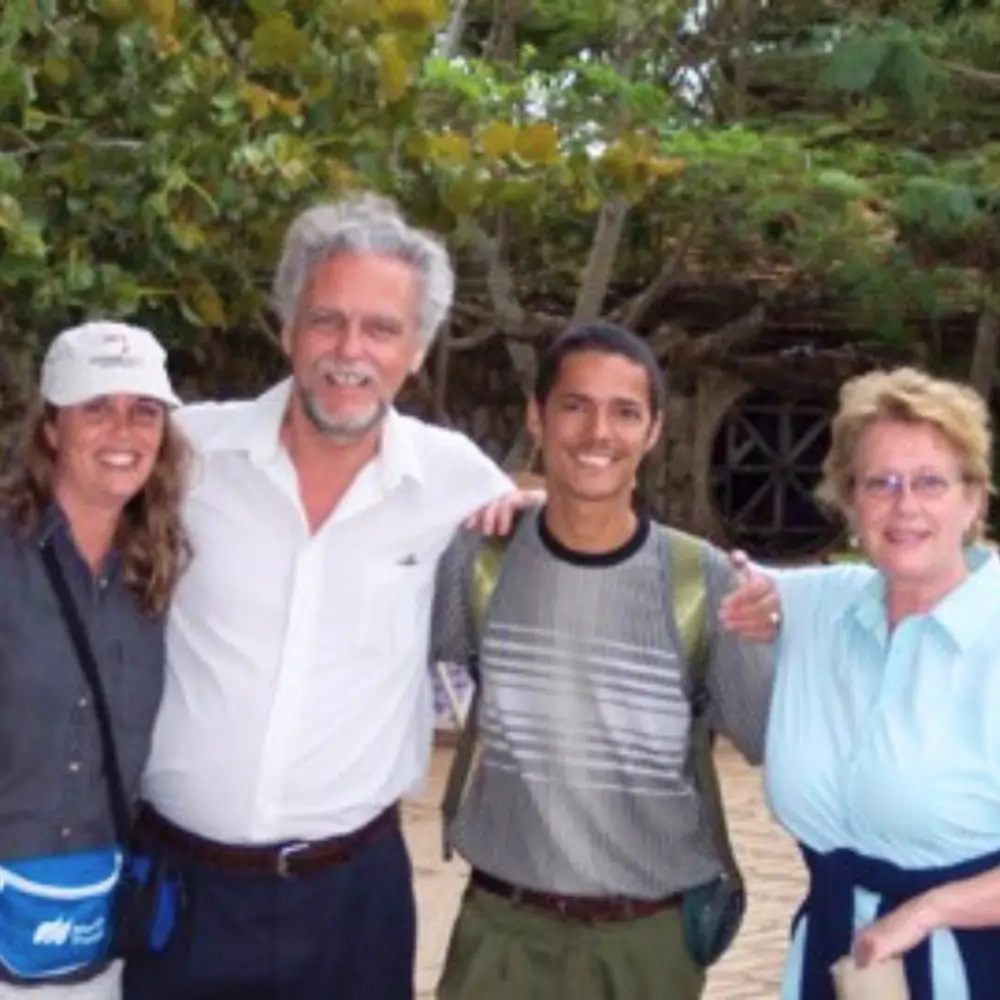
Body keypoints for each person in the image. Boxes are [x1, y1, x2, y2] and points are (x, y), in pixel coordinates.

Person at [121, 193, 525, 1000]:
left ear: (417, 350)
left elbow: (564, 524)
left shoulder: (456, 483)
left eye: (381, 328)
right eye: (326, 320)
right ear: (286, 329)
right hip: (181, 891)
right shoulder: (182, 456)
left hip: (353, 901)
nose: (351, 350)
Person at [431, 322, 777, 1000]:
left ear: (652, 431)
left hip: (644, 947)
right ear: (538, 417)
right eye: (575, 406)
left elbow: (766, 737)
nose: (599, 433)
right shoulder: (479, 559)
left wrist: (768, 635)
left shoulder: (701, 580)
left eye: (625, 412)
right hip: (500, 935)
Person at [747, 367, 1000, 999]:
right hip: (839, 961)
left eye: (931, 482)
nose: (905, 505)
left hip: (973, 966)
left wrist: (930, 910)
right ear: (849, 499)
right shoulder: (816, 605)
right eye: (880, 483)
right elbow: (676, 569)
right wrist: (546, 504)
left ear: (974, 500)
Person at [0, 321, 191, 999]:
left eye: (143, 412)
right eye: (96, 408)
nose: (123, 432)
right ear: (51, 428)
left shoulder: (168, 570)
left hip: (94, 932)